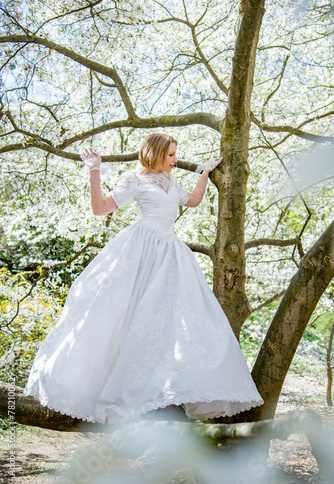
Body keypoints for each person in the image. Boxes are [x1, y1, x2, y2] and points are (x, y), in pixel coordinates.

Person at [23, 132, 263, 423]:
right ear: (156, 154)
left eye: (176, 154)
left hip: (171, 254)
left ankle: (166, 385)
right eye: (171, 155)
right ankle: (109, 389)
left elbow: (194, 201)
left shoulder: (171, 182)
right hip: (140, 252)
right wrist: (94, 171)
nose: (176, 160)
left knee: (172, 319)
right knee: (125, 314)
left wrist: (205, 173)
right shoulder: (134, 180)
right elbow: (100, 209)